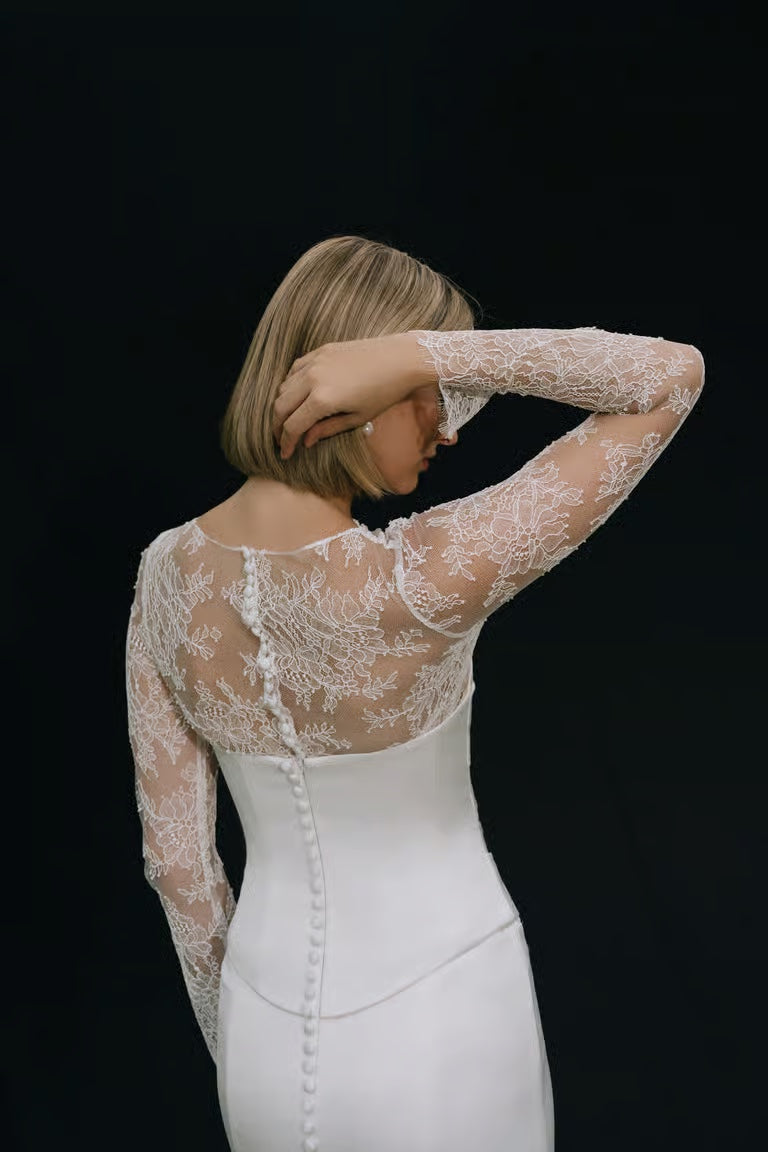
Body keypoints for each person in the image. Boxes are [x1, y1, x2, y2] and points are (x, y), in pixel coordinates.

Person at [125, 234, 705, 1152]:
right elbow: (670, 376)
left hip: (262, 1031)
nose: (450, 427)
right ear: (354, 396)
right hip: (444, 1011)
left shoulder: (163, 576)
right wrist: (415, 353)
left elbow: (181, 870)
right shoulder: (418, 580)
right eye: (435, 398)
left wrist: (244, 1048)